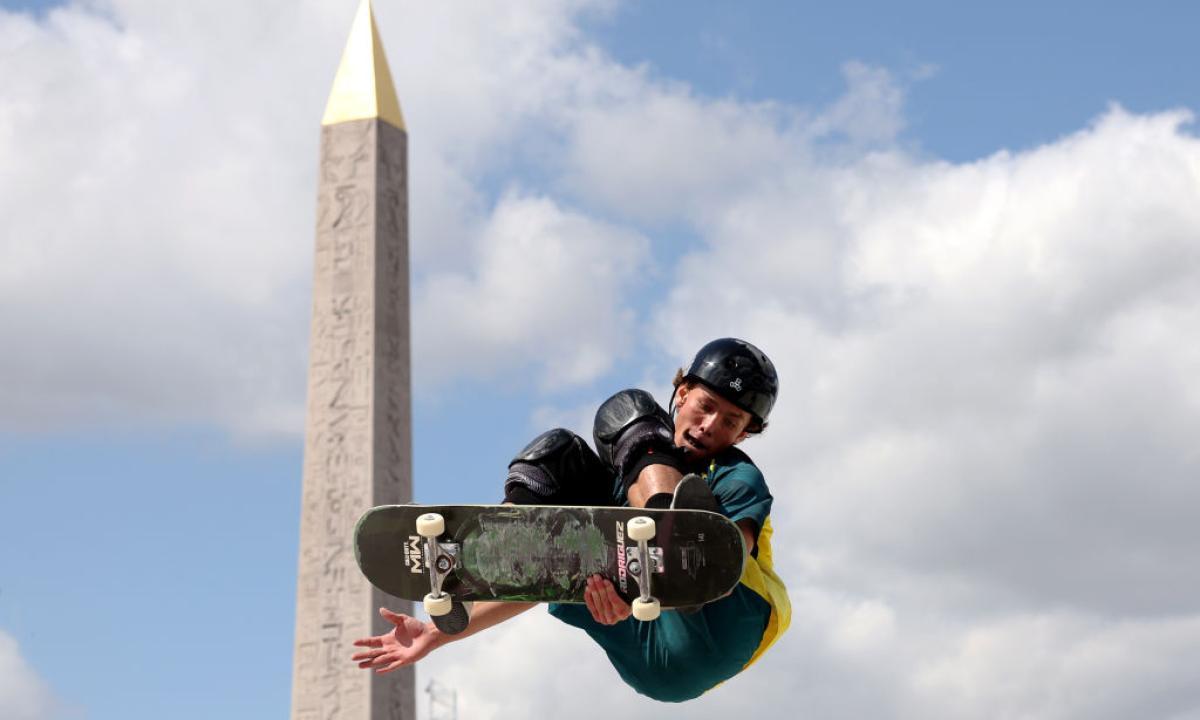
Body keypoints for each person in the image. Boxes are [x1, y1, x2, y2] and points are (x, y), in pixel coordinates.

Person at [351, 338, 791, 702]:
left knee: (630, 410)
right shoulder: (617, 494)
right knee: (557, 459)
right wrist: (439, 632)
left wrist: (657, 573)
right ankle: (482, 557)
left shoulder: (737, 476)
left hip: (721, 627)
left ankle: (668, 541)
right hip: (650, 651)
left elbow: (730, 557)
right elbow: (544, 576)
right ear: (681, 393)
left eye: (731, 421)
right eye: (705, 405)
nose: (711, 424)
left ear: (745, 434)